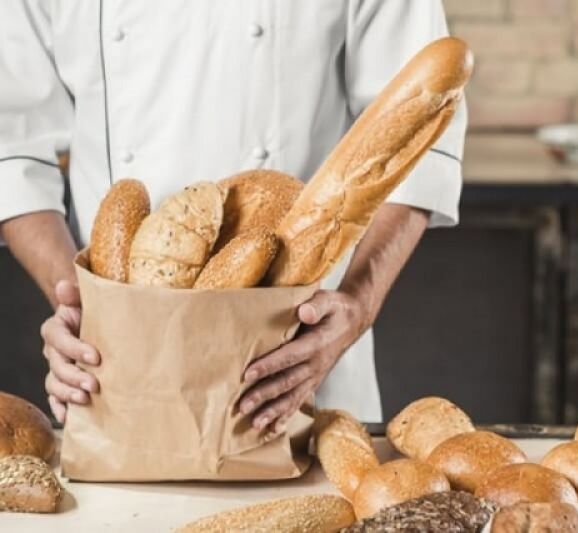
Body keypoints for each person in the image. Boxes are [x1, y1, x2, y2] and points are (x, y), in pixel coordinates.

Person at [0, 1, 466, 431]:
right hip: (116, 370)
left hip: (299, 362)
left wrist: (356, 307)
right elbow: (12, 149)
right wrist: (85, 316)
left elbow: (416, 147)